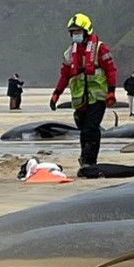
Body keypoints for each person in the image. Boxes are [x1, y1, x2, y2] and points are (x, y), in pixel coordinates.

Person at [50, 12, 117, 167]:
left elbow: (111, 70)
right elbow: (64, 75)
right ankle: (84, 157)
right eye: (73, 32)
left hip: (98, 96)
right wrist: (56, 94)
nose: (75, 35)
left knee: (91, 128)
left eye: (78, 32)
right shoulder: (69, 54)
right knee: (83, 129)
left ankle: (89, 161)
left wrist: (111, 91)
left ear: (87, 31)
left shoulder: (100, 48)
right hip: (80, 99)